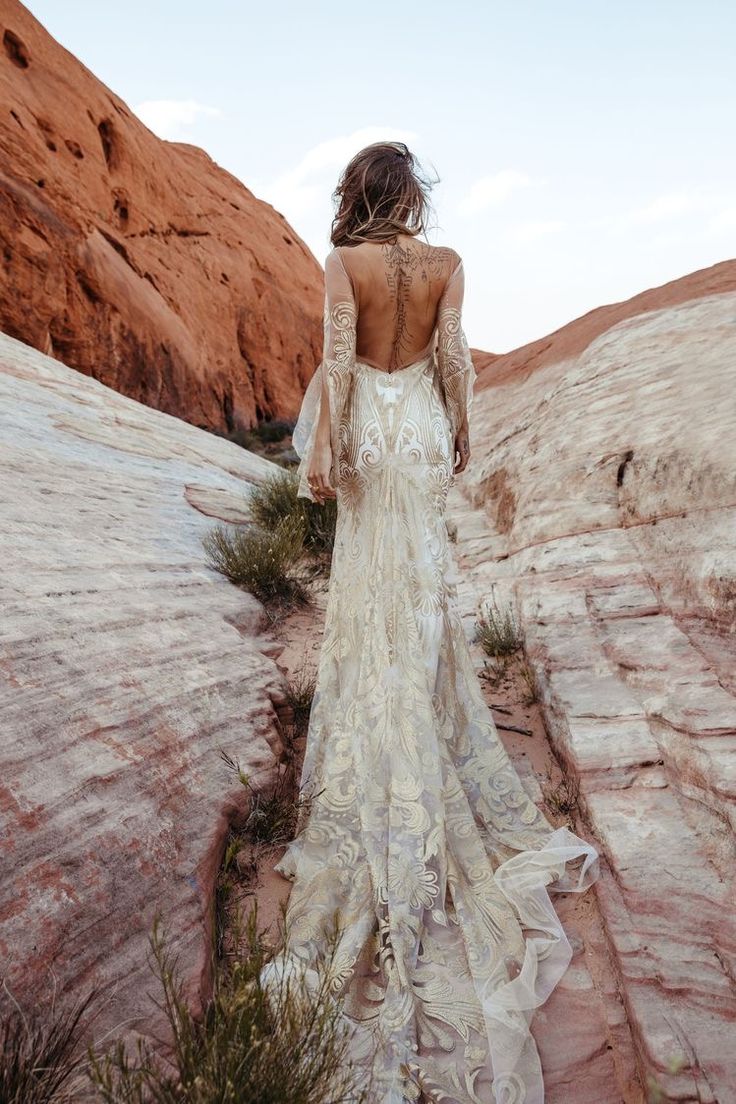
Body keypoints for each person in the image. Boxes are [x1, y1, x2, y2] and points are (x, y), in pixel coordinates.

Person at [264, 141, 600, 1104]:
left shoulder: (345, 266)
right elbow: (453, 358)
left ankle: (381, 729)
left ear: (356, 195)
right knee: (420, 586)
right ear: (411, 197)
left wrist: (326, 448)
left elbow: (335, 358)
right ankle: (424, 708)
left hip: (368, 423)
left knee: (369, 590)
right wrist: (462, 425)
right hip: (415, 428)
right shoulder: (447, 266)